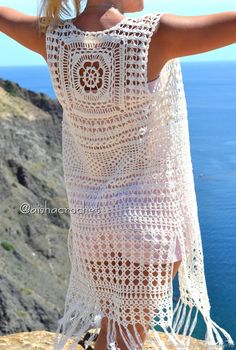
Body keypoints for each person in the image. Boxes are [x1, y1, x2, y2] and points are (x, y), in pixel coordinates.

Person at [0, 1, 235, 349]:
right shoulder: (154, 35)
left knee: (114, 334)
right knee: (124, 341)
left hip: (94, 228)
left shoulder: (51, 38)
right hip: (147, 229)